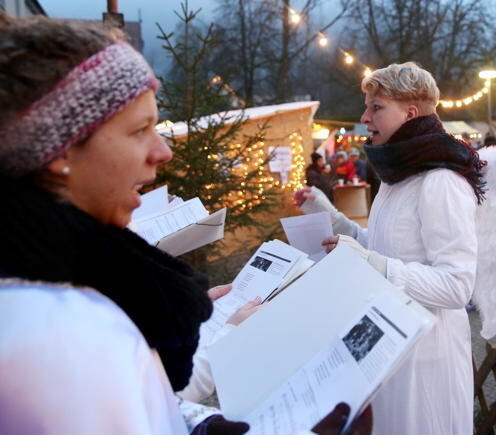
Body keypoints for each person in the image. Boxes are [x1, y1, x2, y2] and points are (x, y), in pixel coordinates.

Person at [0, 15, 366, 435]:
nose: (163, 151)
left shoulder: (62, 281)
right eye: (140, 130)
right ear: (58, 148)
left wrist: (203, 421)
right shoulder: (56, 328)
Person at [295, 62, 482, 434]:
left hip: (426, 358)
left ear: (410, 112)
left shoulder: (440, 180)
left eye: (376, 107)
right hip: (385, 344)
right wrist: (329, 215)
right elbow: (378, 248)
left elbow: (458, 285)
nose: (365, 117)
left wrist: (375, 265)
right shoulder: (397, 178)